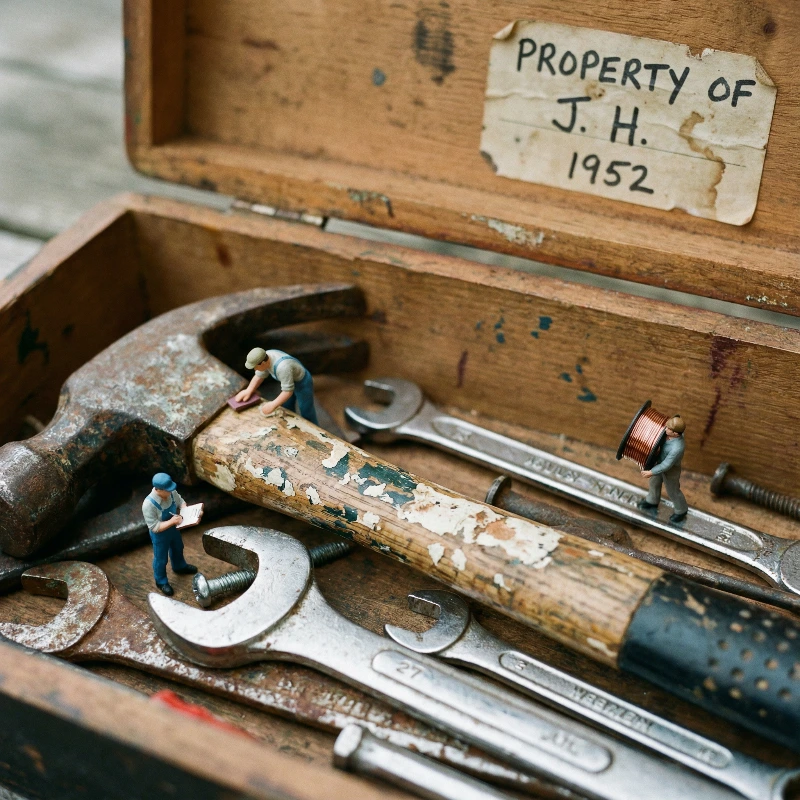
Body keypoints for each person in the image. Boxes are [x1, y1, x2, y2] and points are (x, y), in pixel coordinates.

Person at [142, 472, 198, 595]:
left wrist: (185, 510)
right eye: (168, 490)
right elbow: (154, 527)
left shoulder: (171, 493)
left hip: (174, 529)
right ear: (159, 490)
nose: (171, 491)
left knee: (178, 548)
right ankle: (161, 581)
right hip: (160, 535)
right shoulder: (148, 505)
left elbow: (180, 501)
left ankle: (179, 566)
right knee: (161, 559)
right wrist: (172, 521)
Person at [234, 347, 318, 424]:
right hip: (288, 380)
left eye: (255, 367)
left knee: (305, 408)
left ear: (262, 363)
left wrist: (272, 404)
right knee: (287, 405)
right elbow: (259, 376)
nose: (255, 369)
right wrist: (249, 390)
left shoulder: (283, 367)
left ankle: (314, 430)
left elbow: (287, 392)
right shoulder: (265, 356)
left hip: (302, 382)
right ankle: (292, 423)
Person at [637, 415, 689, 523]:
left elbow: (666, 465)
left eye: (669, 429)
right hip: (658, 464)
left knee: (673, 491)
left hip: (671, 471)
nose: (665, 429)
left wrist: (651, 472)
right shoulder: (668, 434)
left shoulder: (677, 448)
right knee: (654, 483)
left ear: (676, 433)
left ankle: (681, 510)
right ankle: (652, 501)